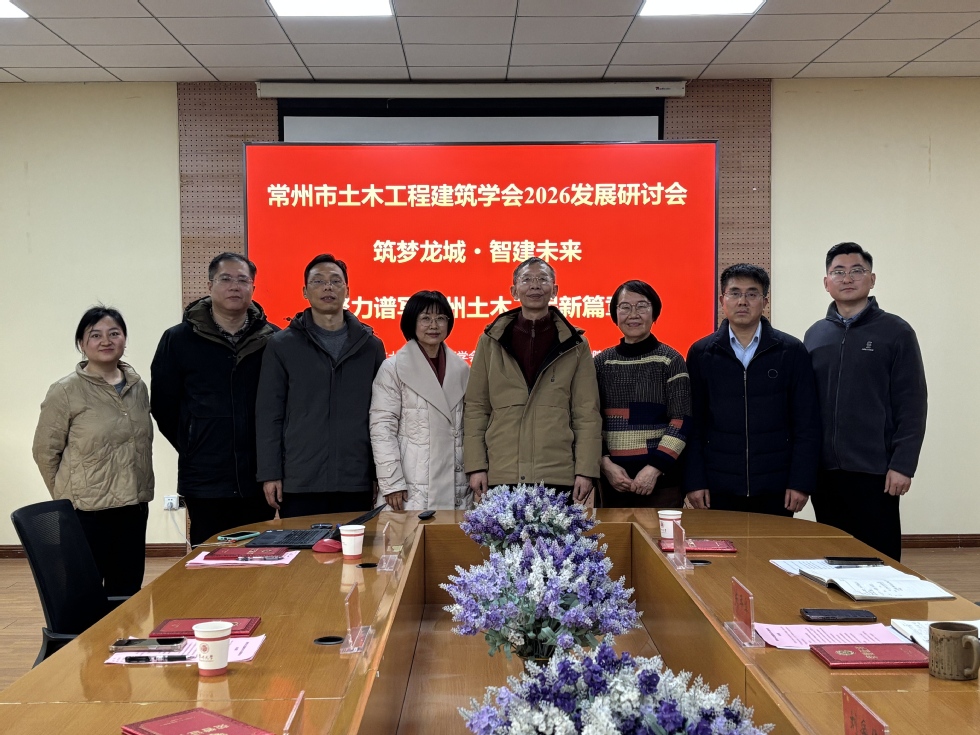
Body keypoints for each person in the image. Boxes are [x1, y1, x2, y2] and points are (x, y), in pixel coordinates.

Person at [804, 242, 927, 561]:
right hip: (825, 472)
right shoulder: (815, 335)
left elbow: (912, 403)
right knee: (833, 559)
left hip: (876, 471)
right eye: (838, 272)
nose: (847, 278)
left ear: (871, 279)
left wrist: (903, 465)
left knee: (879, 560)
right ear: (826, 282)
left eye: (856, 271)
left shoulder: (896, 332)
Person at [151, 252, 278, 547]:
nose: (234, 286)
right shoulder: (178, 339)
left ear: (253, 287)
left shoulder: (274, 340)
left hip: (258, 478)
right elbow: (164, 406)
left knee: (259, 559)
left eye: (242, 280)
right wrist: (193, 443)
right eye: (226, 279)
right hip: (205, 479)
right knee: (208, 559)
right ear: (209, 286)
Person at [33, 306, 153, 596]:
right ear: (82, 343)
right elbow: (44, 451)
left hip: (133, 508)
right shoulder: (65, 390)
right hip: (85, 513)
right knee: (82, 596)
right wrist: (67, 496)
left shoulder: (137, 387)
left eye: (114, 333)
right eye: (95, 335)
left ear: (124, 339)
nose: (106, 341)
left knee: (126, 594)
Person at [684, 264, 820, 517]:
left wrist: (800, 482)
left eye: (752, 294)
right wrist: (694, 481)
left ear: (764, 301)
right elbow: (694, 424)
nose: (742, 301)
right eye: (735, 293)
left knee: (772, 543)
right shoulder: (702, 353)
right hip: (717, 484)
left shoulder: (791, 351)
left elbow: (806, 423)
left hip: (776, 485)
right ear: (722, 300)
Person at [256, 253, 386, 517]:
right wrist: (270, 473)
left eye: (335, 281)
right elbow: (269, 414)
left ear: (347, 290)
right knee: (301, 545)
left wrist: (377, 473)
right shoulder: (281, 345)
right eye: (318, 281)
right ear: (305, 291)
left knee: (354, 545)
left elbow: (380, 416)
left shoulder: (371, 346)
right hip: (300, 480)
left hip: (355, 478)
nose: (328, 287)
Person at [463, 256, 601, 504]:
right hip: (501, 471)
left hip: (557, 472)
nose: (535, 285)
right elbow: (476, 407)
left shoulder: (576, 344)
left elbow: (586, 412)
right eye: (526, 279)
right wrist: (476, 466)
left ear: (554, 290)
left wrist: (585, 469)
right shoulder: (490, 341)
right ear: (514, 290)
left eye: (542, 279)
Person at [370, 291, 471, 511]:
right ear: (412, 322)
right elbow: (382, 428)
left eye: (440, 318)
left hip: (456, 483)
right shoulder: (393, 368)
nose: (434, 325)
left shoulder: (462, 369)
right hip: (409, 484)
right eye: (425, 318)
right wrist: (391, 482)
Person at [594, 280, 691, 508]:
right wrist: (605, 465)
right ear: (615, 314)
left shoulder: (671, 360)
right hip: (612, 483)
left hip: (662, 482)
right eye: (625, 307)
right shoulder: (600, 363)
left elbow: (681, 421)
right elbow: (589, 421)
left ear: (654, 312)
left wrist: (654, 469)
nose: (633, 314)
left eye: (642, 306)